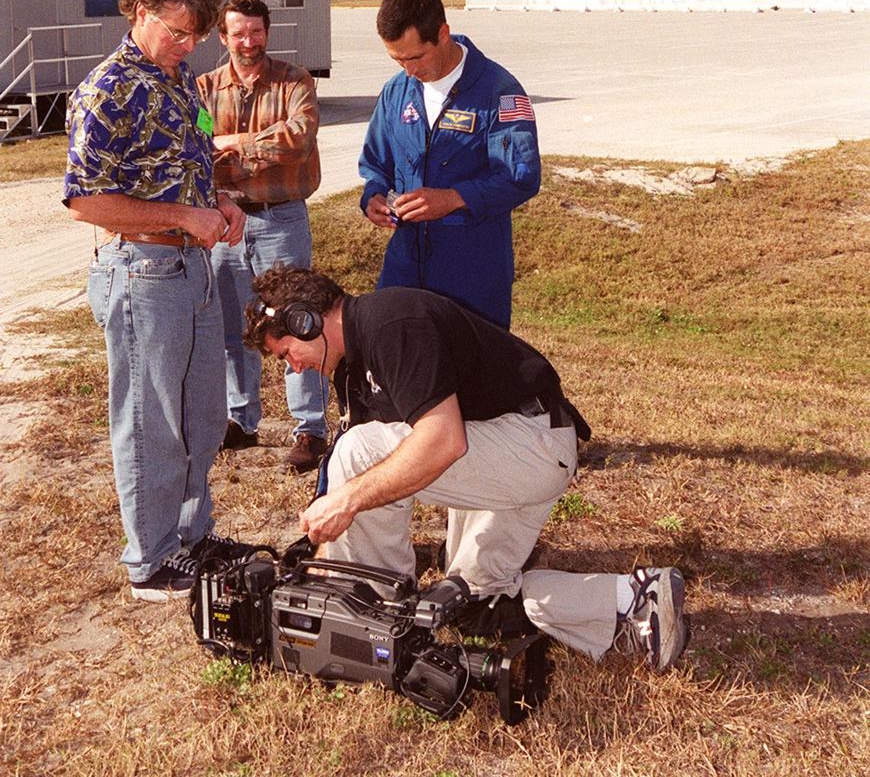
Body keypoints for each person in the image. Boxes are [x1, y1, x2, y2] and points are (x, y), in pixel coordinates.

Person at [244, 265, 691, 673]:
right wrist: (321, 555)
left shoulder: (391, 322)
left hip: (529, 442)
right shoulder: (352, 368)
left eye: (286, 352)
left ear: (307, 320)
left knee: (360, 453)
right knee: (472, 604)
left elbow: (441, 441)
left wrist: (345, 501)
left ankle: (375, 621)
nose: (293, 367)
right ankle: (634, 598)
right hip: (501, 453)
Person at [64, 0, 247, 601]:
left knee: (201, 414)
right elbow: (85, 200)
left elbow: (195, 160)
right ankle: (149, 558)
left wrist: (219, 203)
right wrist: (182, 216)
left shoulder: (179, 80)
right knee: (149, 419)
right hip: (144, 272)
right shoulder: (108, 89)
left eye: (198, 35)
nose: (190, 45)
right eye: (178, 31)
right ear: (140, 11)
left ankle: (193, 536)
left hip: (192, 266)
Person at [359, 0, 541, 329]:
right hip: (405, 268)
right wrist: (373, 197)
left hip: (472, 272)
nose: (409, 70)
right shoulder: (396, 91)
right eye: (397, 59)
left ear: (443, 34)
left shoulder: (499, 91)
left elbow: (521, 176)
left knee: (472, 376)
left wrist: (454, 198)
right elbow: (375, 165)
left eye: (415, 57)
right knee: (401, 368)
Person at [197, 0, 325, 470]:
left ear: (267, 32)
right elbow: (199, 147)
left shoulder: (295, 81)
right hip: (226, 221)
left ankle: (310, 429)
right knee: (234, 328)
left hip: (282, 219)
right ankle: (241, 421)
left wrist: (235, 145)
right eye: (238, 33)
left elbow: (298, 137)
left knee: (297, 321)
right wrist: (246, 152)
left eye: (256, 32)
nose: (248, 42)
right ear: (223, 36)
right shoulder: (205, 88)